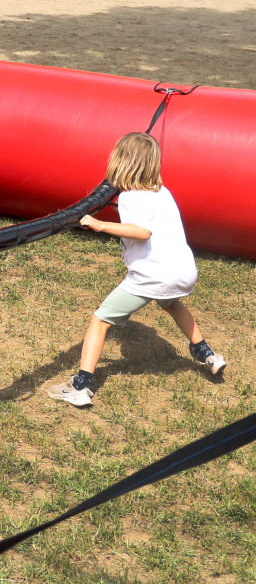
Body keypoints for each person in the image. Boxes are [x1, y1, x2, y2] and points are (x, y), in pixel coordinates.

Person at [48, 132, 226, 407]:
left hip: (152, 275)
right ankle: (207, 354)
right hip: (183, 271)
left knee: (100, 320)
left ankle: (80, 387)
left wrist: (100, 225)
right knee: (171, 303)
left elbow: (142, 232)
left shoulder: (131, 197)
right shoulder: (163, 193)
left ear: (120, 161)